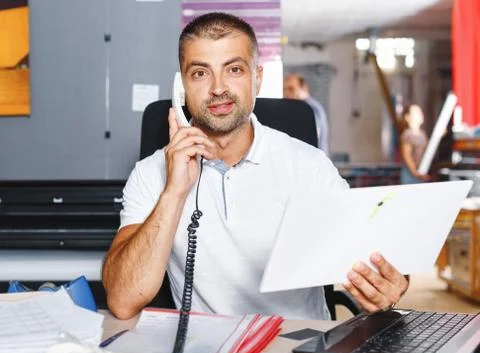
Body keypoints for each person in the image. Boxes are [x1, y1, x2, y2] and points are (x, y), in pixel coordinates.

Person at [102, 12, 409, 320]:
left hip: (298, 345)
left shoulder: (308, 164)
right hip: (209, 347)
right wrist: (174, 192)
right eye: (200, 73)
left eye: (234, 69)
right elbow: (122, 300)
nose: (218, 88)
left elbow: (377, 252)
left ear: (257, 78)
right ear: (181, 86)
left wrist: (392, 280)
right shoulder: (150, 173)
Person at [283, 73, 330, 156]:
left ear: (304, 88)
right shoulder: (297, 109)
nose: (286, 94)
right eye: (284, 89)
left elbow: (311, 140)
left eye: (291, 89)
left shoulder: (310, 109)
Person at [399, 104, 430, 184]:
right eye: (416, 112)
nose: (420, 114)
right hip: (410, 173)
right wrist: (415, 172)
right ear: (407, 117)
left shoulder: (423, 134)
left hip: (421, 170)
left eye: (420, 111)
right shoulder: (407, 134)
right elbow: (407, 156)